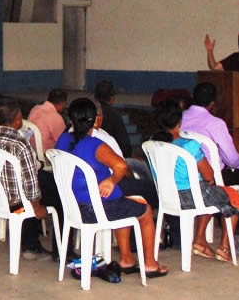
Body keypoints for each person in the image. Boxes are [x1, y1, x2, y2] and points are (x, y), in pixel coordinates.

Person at [56, 98, 168, 276]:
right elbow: (121, 166)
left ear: (71, 119)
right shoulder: (95, 144)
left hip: (74, 207)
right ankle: (150, 264)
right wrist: (111, 181)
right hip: (97, 207)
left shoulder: (63, 140)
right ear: (95, 119)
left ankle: (127, 259)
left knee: (126, 201)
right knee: (145, 211)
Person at [156, 100, 239, 262]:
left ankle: (200, 241)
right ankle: (224, 248)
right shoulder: (190, 145)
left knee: (211, 195)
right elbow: (208, 175)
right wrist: (209, 179)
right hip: (191, 197)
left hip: (168, 197)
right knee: (233, 198)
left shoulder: (154, 144)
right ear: (179, 122)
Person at [0, 96, 58, 258]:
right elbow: (31, 182)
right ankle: (62, 251)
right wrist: (37, 207)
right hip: (18, 207)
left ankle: (31, 243)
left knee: (37, 184)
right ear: (18, 119)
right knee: (60, 196)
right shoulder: (20, 144)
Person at [181, 82, 239, 227]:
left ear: (192, 96)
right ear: (212, 103)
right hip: (210, 176)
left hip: (181, 174)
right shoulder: (215, 123)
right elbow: (231, 159)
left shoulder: (180, 118)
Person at [93, 80, 132, 158]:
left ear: (95, 97)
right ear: (111, 98)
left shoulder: (87, 110)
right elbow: (125, 147)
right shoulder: (114, 115)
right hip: (112, 157)